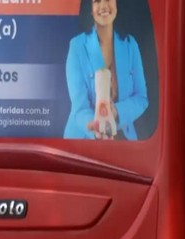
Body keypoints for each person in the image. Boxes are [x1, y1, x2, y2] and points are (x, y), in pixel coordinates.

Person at [64, 0, 149, 140]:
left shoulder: (130, 44)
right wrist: (97, 126)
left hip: (123, 138)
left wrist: (116, 111)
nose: (103, 6)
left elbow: (141, 97)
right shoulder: (77, 47)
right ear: (90, 8)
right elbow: (79, 108)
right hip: (84, 139)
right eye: (96, 1)